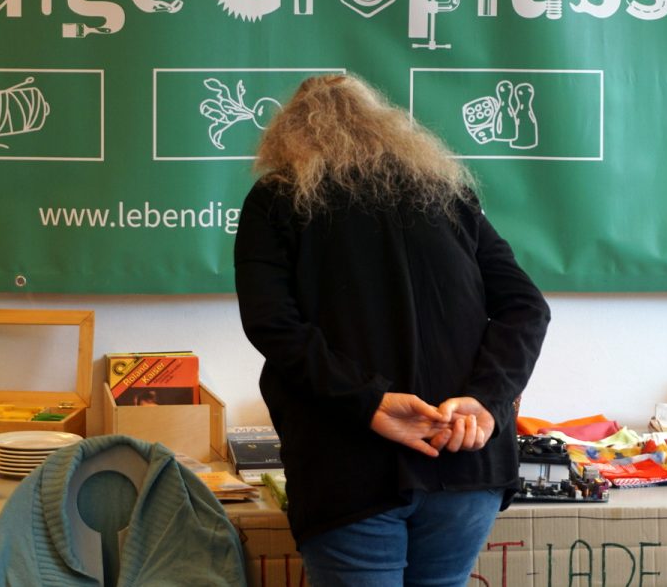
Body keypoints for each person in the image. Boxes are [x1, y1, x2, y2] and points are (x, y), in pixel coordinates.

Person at [234, 74, 550, 586]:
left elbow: (273, 325)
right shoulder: (448, 192)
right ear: (386, 126)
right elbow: (527, 307)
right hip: (463, 457)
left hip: (348, 469)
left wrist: (370, 402)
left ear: (288, 136)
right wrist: (484, 400)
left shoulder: (277, 198)